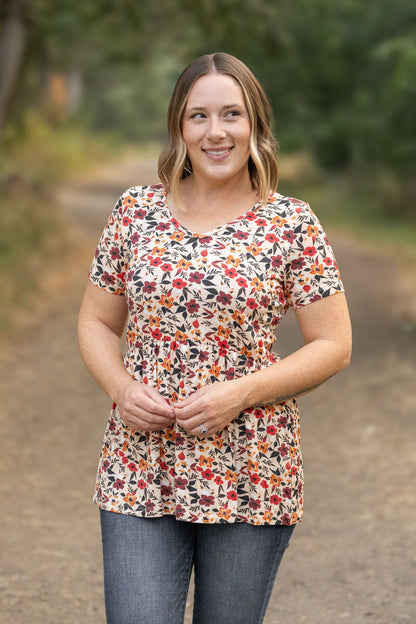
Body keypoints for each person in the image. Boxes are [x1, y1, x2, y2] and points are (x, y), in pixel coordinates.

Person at [78, 52, 351, 624]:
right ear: (180, 125)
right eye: (198, 116)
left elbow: (333, 344)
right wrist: (121, 388)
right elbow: (97, 322)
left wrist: (240, 392)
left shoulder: (291, 223)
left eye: (232, 114)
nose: (216, 132)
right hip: (140, 465)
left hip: (252, 470)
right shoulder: (135, 213)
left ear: (255, 124)